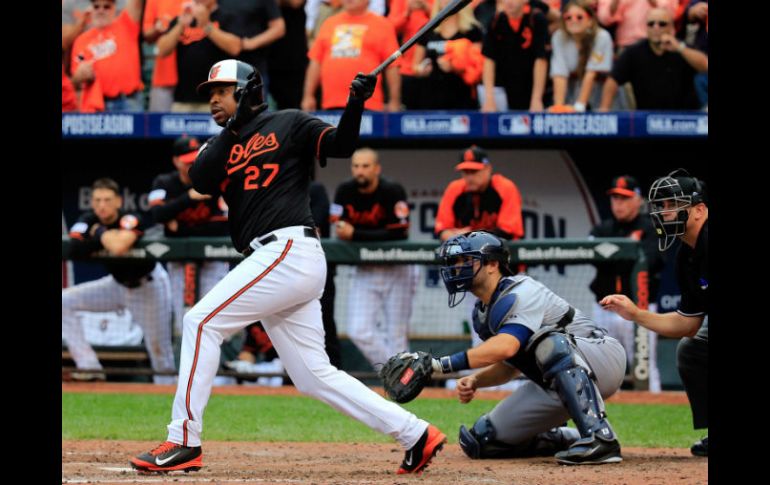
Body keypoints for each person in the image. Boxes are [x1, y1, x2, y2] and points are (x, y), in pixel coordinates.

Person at [130, 58, 446, 474]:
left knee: (201, 323)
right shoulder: (223, 141)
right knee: (313, 375)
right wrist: (232, 127)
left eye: (223, 92)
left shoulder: (290, 122)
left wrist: (355, 102)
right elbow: (200, 180)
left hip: (286, 249)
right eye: (211, 94)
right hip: (278, 260)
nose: (213, 100)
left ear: (247, 91)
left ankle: (184, 440)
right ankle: (416, 433)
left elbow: (342, 145)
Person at [430, 231, 626, 464]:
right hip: (555, 383)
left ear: (492, 264)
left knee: (550, 344)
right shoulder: (481, 315)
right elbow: (512, 364)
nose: (456, 267)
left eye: (465, 260)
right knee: (483, 440)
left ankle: (600, 438)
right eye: (454, 262)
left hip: (601, 358)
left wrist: (442, 365)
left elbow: (507, 347)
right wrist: (476, 380)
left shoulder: (521, 290)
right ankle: (567, 438)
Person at [600, 169, 708, 457]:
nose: (665, 212)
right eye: (661, 206)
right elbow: (687, 324)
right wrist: (636, 314)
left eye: (674, 205)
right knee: (692, 349)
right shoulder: (687, 253)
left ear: (699, 210)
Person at [63, 178, 176, 384]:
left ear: (118, 201)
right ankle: (89, 367)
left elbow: (118, 246)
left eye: (107, 200)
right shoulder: (87, 219)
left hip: (148, 287)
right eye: (97, 200)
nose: (101, 205)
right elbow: (73, 249)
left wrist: (97, 233)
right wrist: (105, 237)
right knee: (65, 301)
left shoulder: (130, 218)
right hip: (116, 286)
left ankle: (168, 396)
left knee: (160, 352)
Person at [331, 148, 417, 367]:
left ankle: (401, 381)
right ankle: (397, 371)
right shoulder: (344, 190)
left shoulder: (392, 190)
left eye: (365, 166)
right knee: (358, 330)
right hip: (365, 269)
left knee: (397, 335)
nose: (360, 171)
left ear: (377, 169)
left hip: (398, 267)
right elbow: (337, 225)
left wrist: (356, 234)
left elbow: (400, 231)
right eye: (356, 166)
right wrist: (346, 231)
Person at [148, 135, 231, 337]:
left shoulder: (214, 180)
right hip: (179, 262)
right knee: (184, 324)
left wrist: (179, 226)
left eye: (195, 159)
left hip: (213, 259)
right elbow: (157, 215)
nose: (192, 165)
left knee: (213, 322)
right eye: (187, 162)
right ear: (176, 161)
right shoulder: (164, 182)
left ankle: (216, 369)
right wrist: (188, 198)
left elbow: (223, 226)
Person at [589, 175, 663, 391]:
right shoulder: (602, 229)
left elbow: (652, 261)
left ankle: (655, 413)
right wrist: (627, 252)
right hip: (604, 309)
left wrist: (614, 256)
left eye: (624, 198)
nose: (618, 204)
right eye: (615, 199)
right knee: (603, 370)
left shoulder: (651, 228)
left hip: (639, 308)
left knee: (645, 368)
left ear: (638, 200)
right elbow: (593, 259)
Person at [597, 7, 707, 111]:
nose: (656, 27)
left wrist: (679, 48)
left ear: (672, 28)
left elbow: (705, 66)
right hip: (648, 119)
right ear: (646, 28)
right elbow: (613, 80)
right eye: (651, 24)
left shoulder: (682, 48)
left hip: (684, 120)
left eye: (662, 24)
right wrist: (604, 109)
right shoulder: (634, 52)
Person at [302, 0, 402, 112]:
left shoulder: (383, 25)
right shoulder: (329, 23)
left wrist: (395, 101)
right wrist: (308, 96)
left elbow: (392, 65)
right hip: (331, 105)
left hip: (368, 105)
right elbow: (315, 62)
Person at [156, 0, 242, 112]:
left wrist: (206, 25)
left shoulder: (226, 16)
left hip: (219, 100)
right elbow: (161, 50)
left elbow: (235, 48)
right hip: (183, 100)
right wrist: (180, 25)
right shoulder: (182, 19)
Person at [435, 146, 524, 242]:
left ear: (488, 169)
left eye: (474, 171)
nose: (469, 178)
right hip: (465, 253)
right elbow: (443, 231)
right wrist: (457, 236)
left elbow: (507, 232)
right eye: (465, 172)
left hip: (498, 252)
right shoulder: (454, 189)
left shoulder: (505, 188)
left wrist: (468, 236)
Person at [69, 0, 145, 112]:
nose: (101, 10)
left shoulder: (126, 25)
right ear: (91, 10)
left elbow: (136, 3)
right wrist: (79, 75)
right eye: (96, 6)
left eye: (106, 7)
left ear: (114, 8)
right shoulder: (81, 40)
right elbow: (75, 80)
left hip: (128, 102)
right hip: (96, 104)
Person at [410, 0, 484, 110]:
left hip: (462, 96)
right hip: (431, 95)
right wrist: (421, 70)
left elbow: (479, 68)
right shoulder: (426, 30)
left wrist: (456, 67)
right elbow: (415, 66)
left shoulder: (472, 31)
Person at [480, 0, 549, 112]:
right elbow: (489, 60)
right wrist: (489, 98)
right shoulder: (495, 21)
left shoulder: (536, 19)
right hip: (504, 86)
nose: (509, 2)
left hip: (531, 84)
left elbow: (540, 59)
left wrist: (537, 99)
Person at [548, 0, 614, 112]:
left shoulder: (602, 37)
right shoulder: (558, 37)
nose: (573, 21)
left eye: (579, 17)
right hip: (572, 89)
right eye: (568, 17)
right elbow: (559, 74)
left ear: (590, 21)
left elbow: (591, 73)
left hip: (601, 90)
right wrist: (558, 106)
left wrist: (579, 106)